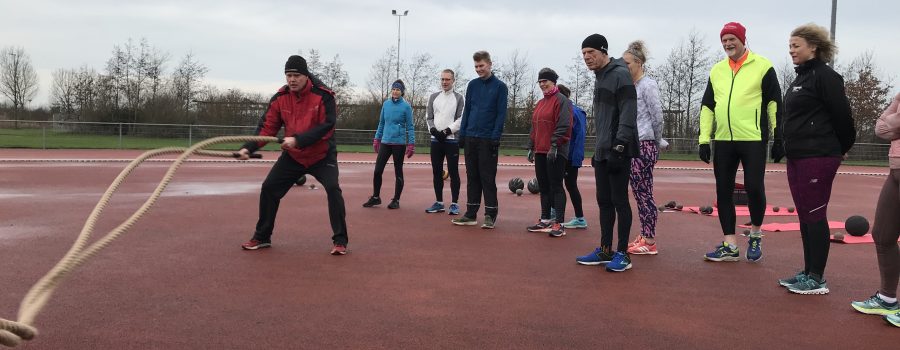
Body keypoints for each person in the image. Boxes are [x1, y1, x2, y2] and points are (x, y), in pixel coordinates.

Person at [236, 55, 349, 255]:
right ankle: (262, 237)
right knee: (269, 188)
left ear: (306, 76)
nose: (292, 80)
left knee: (333, 189)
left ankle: (340, 241)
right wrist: (248, 148)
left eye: (296, 75)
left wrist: (298, 139)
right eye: (288, 75)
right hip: (294, 156)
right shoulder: (280, 98)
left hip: (321, 154)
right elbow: (267, 128)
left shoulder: (324, 96)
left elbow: (327, 127)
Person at [776, 23, 856, 295]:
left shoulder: (826, 77)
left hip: (818, 155)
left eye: (796, 46)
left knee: (814, 214)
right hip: (797, 156)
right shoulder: (800, 78)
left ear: (814, 46)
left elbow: (843, 117)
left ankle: (817, 278)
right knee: (804, 214)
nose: (791, 51)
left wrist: (841, 147)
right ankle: (807, 271)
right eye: (790, 46)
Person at [698, 22, 782, 263]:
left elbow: (774, 103)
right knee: (723, 191)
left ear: (743, 40)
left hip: (753, 139)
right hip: (723, 139)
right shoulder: (717, 70)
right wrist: (704, 139)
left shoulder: (763, 66)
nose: (727, 44)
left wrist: (779, 136)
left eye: (732, 39)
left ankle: (755, 234)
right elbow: (707, 106)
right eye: (724, 40)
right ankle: (730, 244)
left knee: (754, 187)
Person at [574, 34, 639, 272]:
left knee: (619, 201)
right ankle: (604, 249)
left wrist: (619, 146)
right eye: (583, 54)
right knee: (604, 202)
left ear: (603, 51)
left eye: (591, 52)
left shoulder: (620, 74)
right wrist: (600, 148)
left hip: (618, 150)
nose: (587, 57)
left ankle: (623, 254)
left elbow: (628, 112)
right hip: (603, 149)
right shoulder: (600, 76)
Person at [851, 92, 900, 325]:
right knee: (882, 235)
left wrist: (891, 121)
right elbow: (881, 128)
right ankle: (887, 298)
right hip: (896, 169)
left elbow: (886, 128)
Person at [451, 51, 508, 229]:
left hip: (487, 139)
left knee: (487, 178)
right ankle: (471, 213)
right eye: (476, 66)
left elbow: (501, 114)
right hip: (470, 138)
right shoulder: (472, 85)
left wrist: (495, 137)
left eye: (481, 66)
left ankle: (490, 215)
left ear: (490, 64)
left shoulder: (500, 87)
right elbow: (467, 111)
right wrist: (463, 134)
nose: (478, 69)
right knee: (472, 177)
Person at [621, 41, 664, 256]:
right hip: (632, 145)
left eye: (627, 63)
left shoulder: (648, 85)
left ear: (638, 62)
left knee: (644, 193)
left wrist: (657, 141)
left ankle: (650, 240)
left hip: (644, 145)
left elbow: (657, 116)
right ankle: (644, 233)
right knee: (639, 193)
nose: (624, 66)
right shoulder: (631, 87)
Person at [525, 68, 572, 238]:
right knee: (543, 186)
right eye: (540, 81)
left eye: (545, 81)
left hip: (556, 151)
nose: (542, 84)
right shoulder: (540, 103)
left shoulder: (561, 101)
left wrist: (554, 145)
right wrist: (531, 146)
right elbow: (535, 127)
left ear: (554, 82)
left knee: (556, 186)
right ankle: (545, 219)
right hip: (540, 150)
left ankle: (559, 223)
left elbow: (564, 125)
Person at [363, 79, 415, 209]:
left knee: (398, 172)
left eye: (398, 89)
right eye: (393, 89)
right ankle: (376, 197)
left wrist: (411, 144)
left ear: (402, 92)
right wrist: (377, 139)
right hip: (385, 142)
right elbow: (381, 123)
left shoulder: (406, 107)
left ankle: (396, 200)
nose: (395, 91)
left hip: (399, 144)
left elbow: (410, 126)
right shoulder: (386, 104)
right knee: (377, 171)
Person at [425, 69, 464, 215]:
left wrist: (447, 131)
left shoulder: (459, 98)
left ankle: (454, 204)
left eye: (447, 79)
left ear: (453, 81)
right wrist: (434, 131)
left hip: (451, 141)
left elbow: (461, 119)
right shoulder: (433, 97)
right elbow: (429, 117)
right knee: (436, 172)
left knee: (453, 172)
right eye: (442, 79)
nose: (444, 82)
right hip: (436, 141)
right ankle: (439, 202)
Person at [557, 84, 589, 230]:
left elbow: (579, 136)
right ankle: (554, 211)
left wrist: (574, 157)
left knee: (570, 185)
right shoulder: (565, 110)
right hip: (564, 154)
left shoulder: (574, 112)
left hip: (570, 155)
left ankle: (580, 218)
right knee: (558, 184)